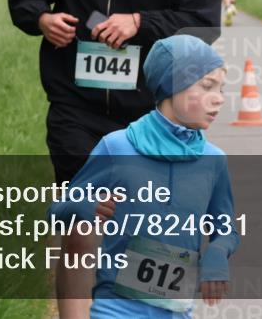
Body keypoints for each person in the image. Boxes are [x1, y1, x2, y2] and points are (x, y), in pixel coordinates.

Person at [7, 0, 222, 319]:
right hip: (75, 110)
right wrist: (41, 18)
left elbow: (205, 20)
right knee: (83, 219)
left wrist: (140, 23)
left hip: (144, 119)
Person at [49, 35, 238, 318]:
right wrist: (84, 207)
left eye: (222, 88)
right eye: (208, 86)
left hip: (175, 309)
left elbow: (226, 230)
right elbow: (56, 211)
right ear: (172, 85)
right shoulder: (117, 146)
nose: (220, 98)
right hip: (115, 307)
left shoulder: (213, 160)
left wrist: (218, 252)